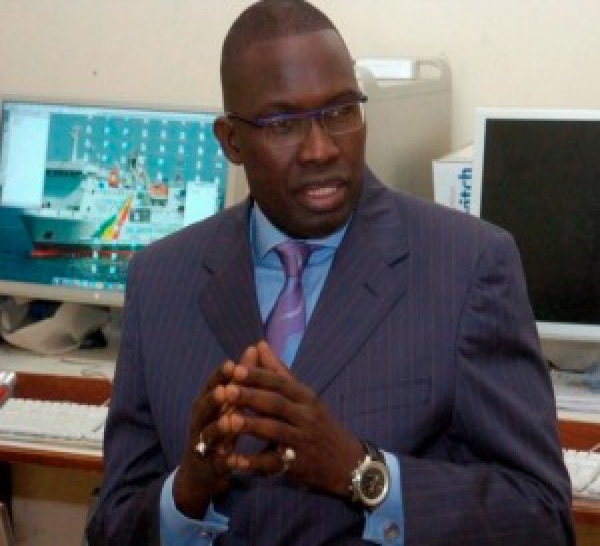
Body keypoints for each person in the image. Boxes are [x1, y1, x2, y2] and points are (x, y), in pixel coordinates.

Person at [87, 1, 575, 544]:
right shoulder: (159, 279)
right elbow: (111, 526)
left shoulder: (467, 267)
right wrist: (187, 492)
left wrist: (361, 473)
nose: (321, 149)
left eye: (341, 111)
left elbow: (542, 519)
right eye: (283, 124)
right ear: (230, 141)